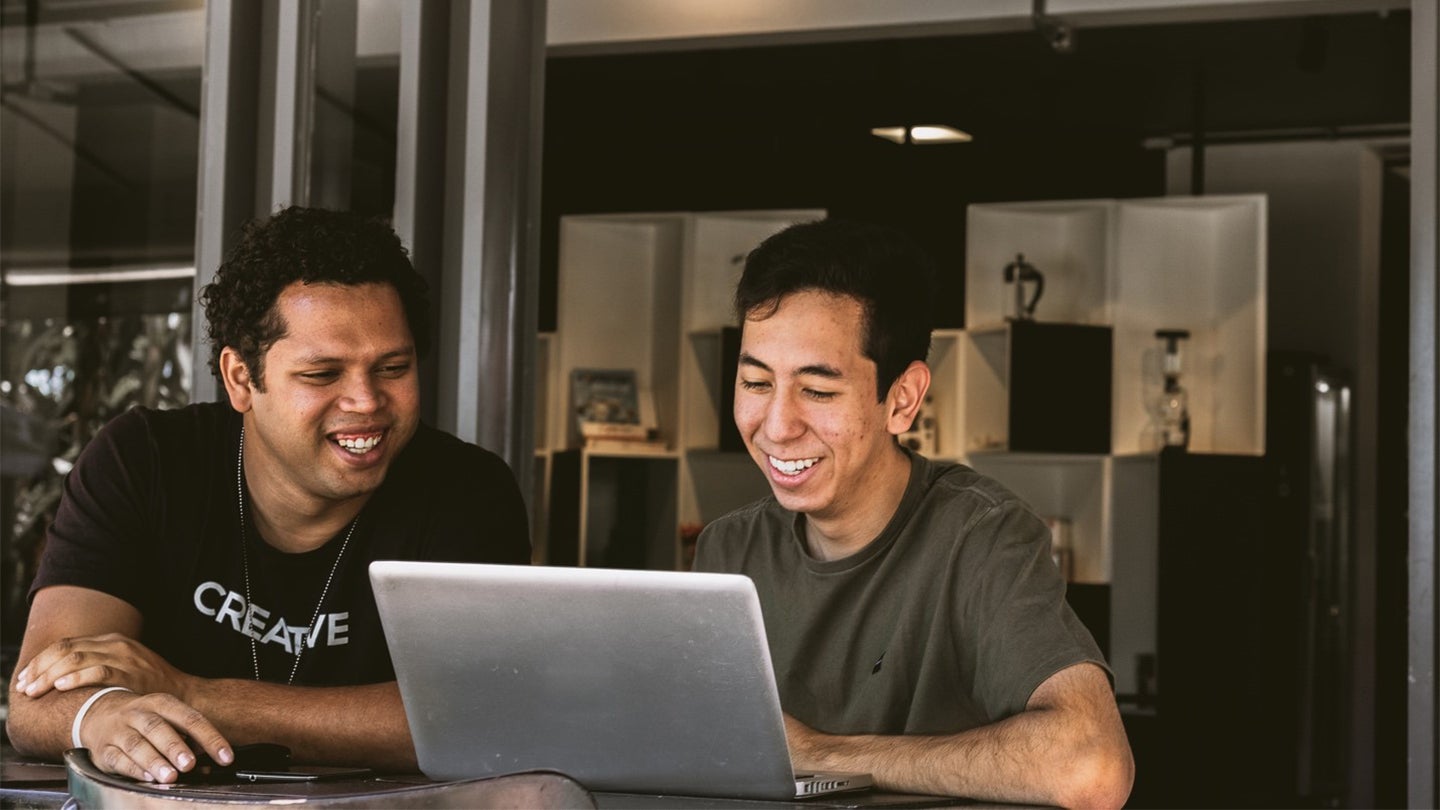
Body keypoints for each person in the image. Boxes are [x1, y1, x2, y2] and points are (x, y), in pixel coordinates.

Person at [6, 206, 531, 783]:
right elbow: (38, 697)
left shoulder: (467, 491)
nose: (366, 400)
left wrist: (188, 694)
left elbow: (470, 718)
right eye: (322, 375)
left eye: (393, 367)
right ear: (240, 379)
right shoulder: (146, 460)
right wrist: (98, 714)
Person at [692, 218, 1134, 808]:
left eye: (818, 391)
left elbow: (1092, 766)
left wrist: (823, 754)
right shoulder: (728, 549)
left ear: (902, 399)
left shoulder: (982, 537)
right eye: (754, 381)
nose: (776, 426)